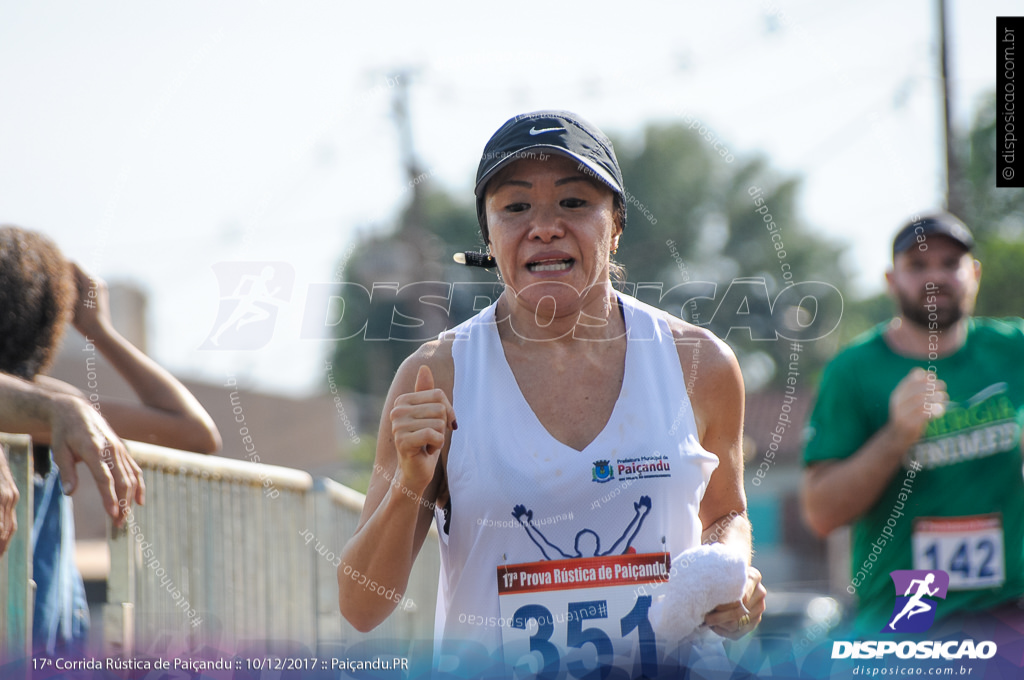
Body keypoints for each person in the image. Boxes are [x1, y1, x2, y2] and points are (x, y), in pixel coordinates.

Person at [339, 111, 765, 676]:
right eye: (515, 207)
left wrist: (731, 567)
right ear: (488, 236)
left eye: (573, 203)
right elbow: (362, 608)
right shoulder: (437, 376)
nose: (544, 227)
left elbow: (726, 511)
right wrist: (409, 488)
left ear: (615, 225)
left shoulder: (699, 363)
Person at [0, 225, 221, 654]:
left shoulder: (56, 407)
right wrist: (99, 329)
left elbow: (196, 436)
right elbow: (192, 429)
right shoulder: (53, 406)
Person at [802, 212, 1024, 635]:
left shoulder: (1014, 349)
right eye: (917, 266)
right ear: (891, 280)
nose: (935, 277)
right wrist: (896, 437)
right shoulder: (855, 371)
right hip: (905, 619)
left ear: (974, 274)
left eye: (949, 264)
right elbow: (821, 513)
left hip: (1008, 615)